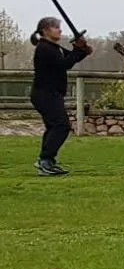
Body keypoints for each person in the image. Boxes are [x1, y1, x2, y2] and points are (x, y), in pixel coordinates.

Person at [29, 17, 92, 176]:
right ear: (45, 30)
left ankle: (47, 161)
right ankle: (45, 160)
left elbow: (70, 58)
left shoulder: (53, 47)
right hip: (45, 94)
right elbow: (64, 64)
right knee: (61, 125)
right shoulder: (44, 48)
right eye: (56, 27)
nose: (60, 30)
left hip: (50, 94)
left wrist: (82, 51)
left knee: (54, 126)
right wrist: (79, 50)